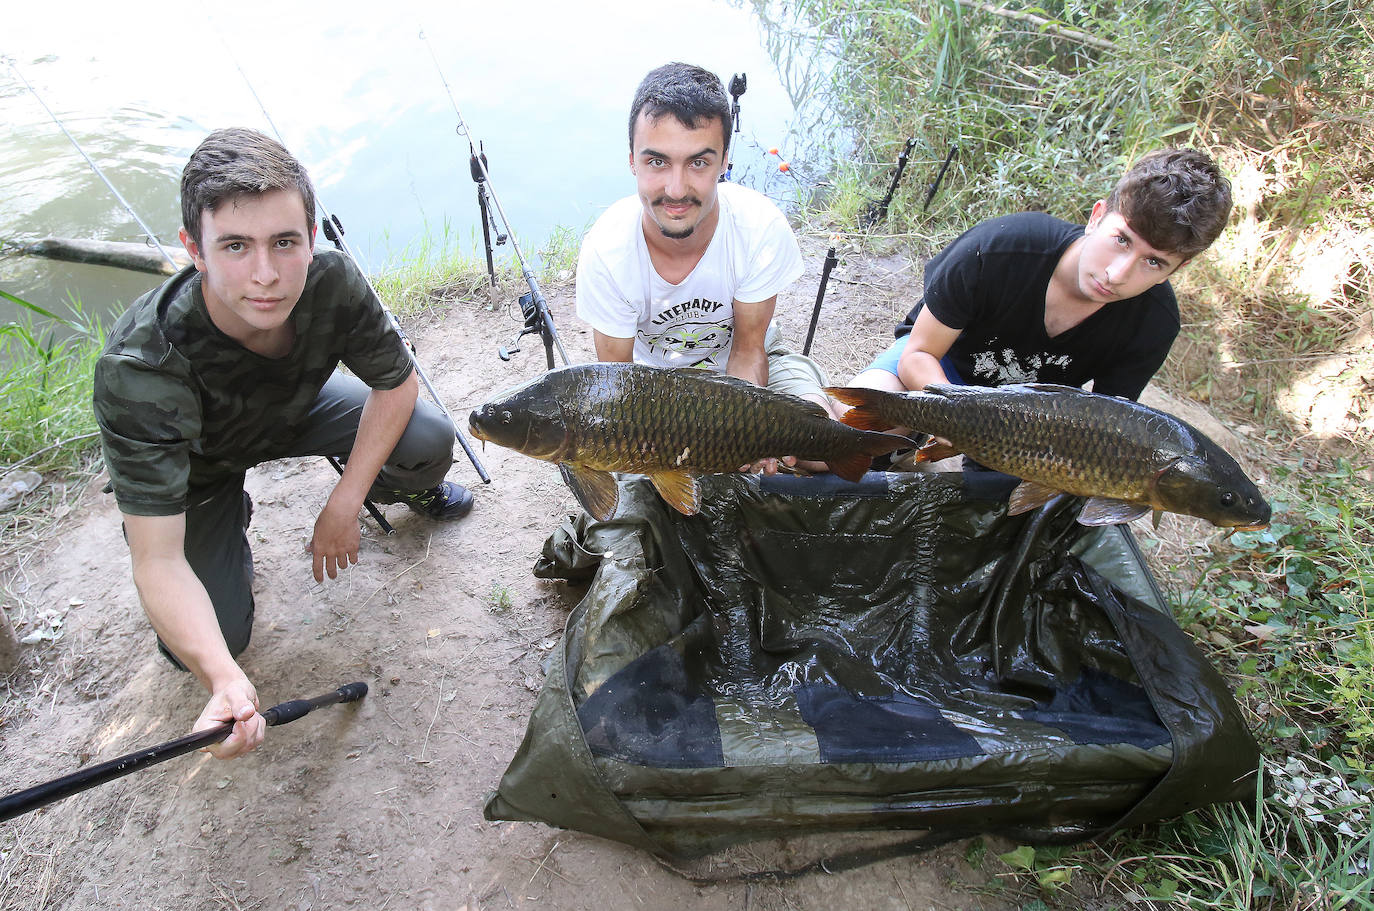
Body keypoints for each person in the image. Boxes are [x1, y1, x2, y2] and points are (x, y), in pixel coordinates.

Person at [93, 128, 474, 759]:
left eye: (284, 243)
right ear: (195, 249)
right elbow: (156, 562)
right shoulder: (140, 365)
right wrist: (221, 678)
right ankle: (218, 523)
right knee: (210, 638)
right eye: (236, 247)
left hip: (294, 413)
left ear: (311, 238)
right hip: (199, 467)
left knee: (427, 441)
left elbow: (396, 385)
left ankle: (381, 487)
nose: (266, 275)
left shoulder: (332, 282)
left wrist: (345, 501)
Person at [575, 61, 837, 442]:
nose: (677, 190)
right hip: (653, 390)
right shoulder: (606, 252)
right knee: (645, 497)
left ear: (724, 160)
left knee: (822, 440)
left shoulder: (759, 228)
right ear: (632, 159)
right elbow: (620, 384)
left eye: (698, 162)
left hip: (751, 366)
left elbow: (748, 354)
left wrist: (743, 433)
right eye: (657, 162)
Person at [850, 147, 1232, 404]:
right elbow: (918, 356)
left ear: (1177, 270)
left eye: (1153, 262)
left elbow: (1105, 422)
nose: (1117, 275)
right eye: (1121, 240)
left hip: (1034, 417)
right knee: (838, 439)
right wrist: (961, 425)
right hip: (941, 368)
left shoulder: (1154, 323)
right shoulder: (999, 249)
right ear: (1097, 216)